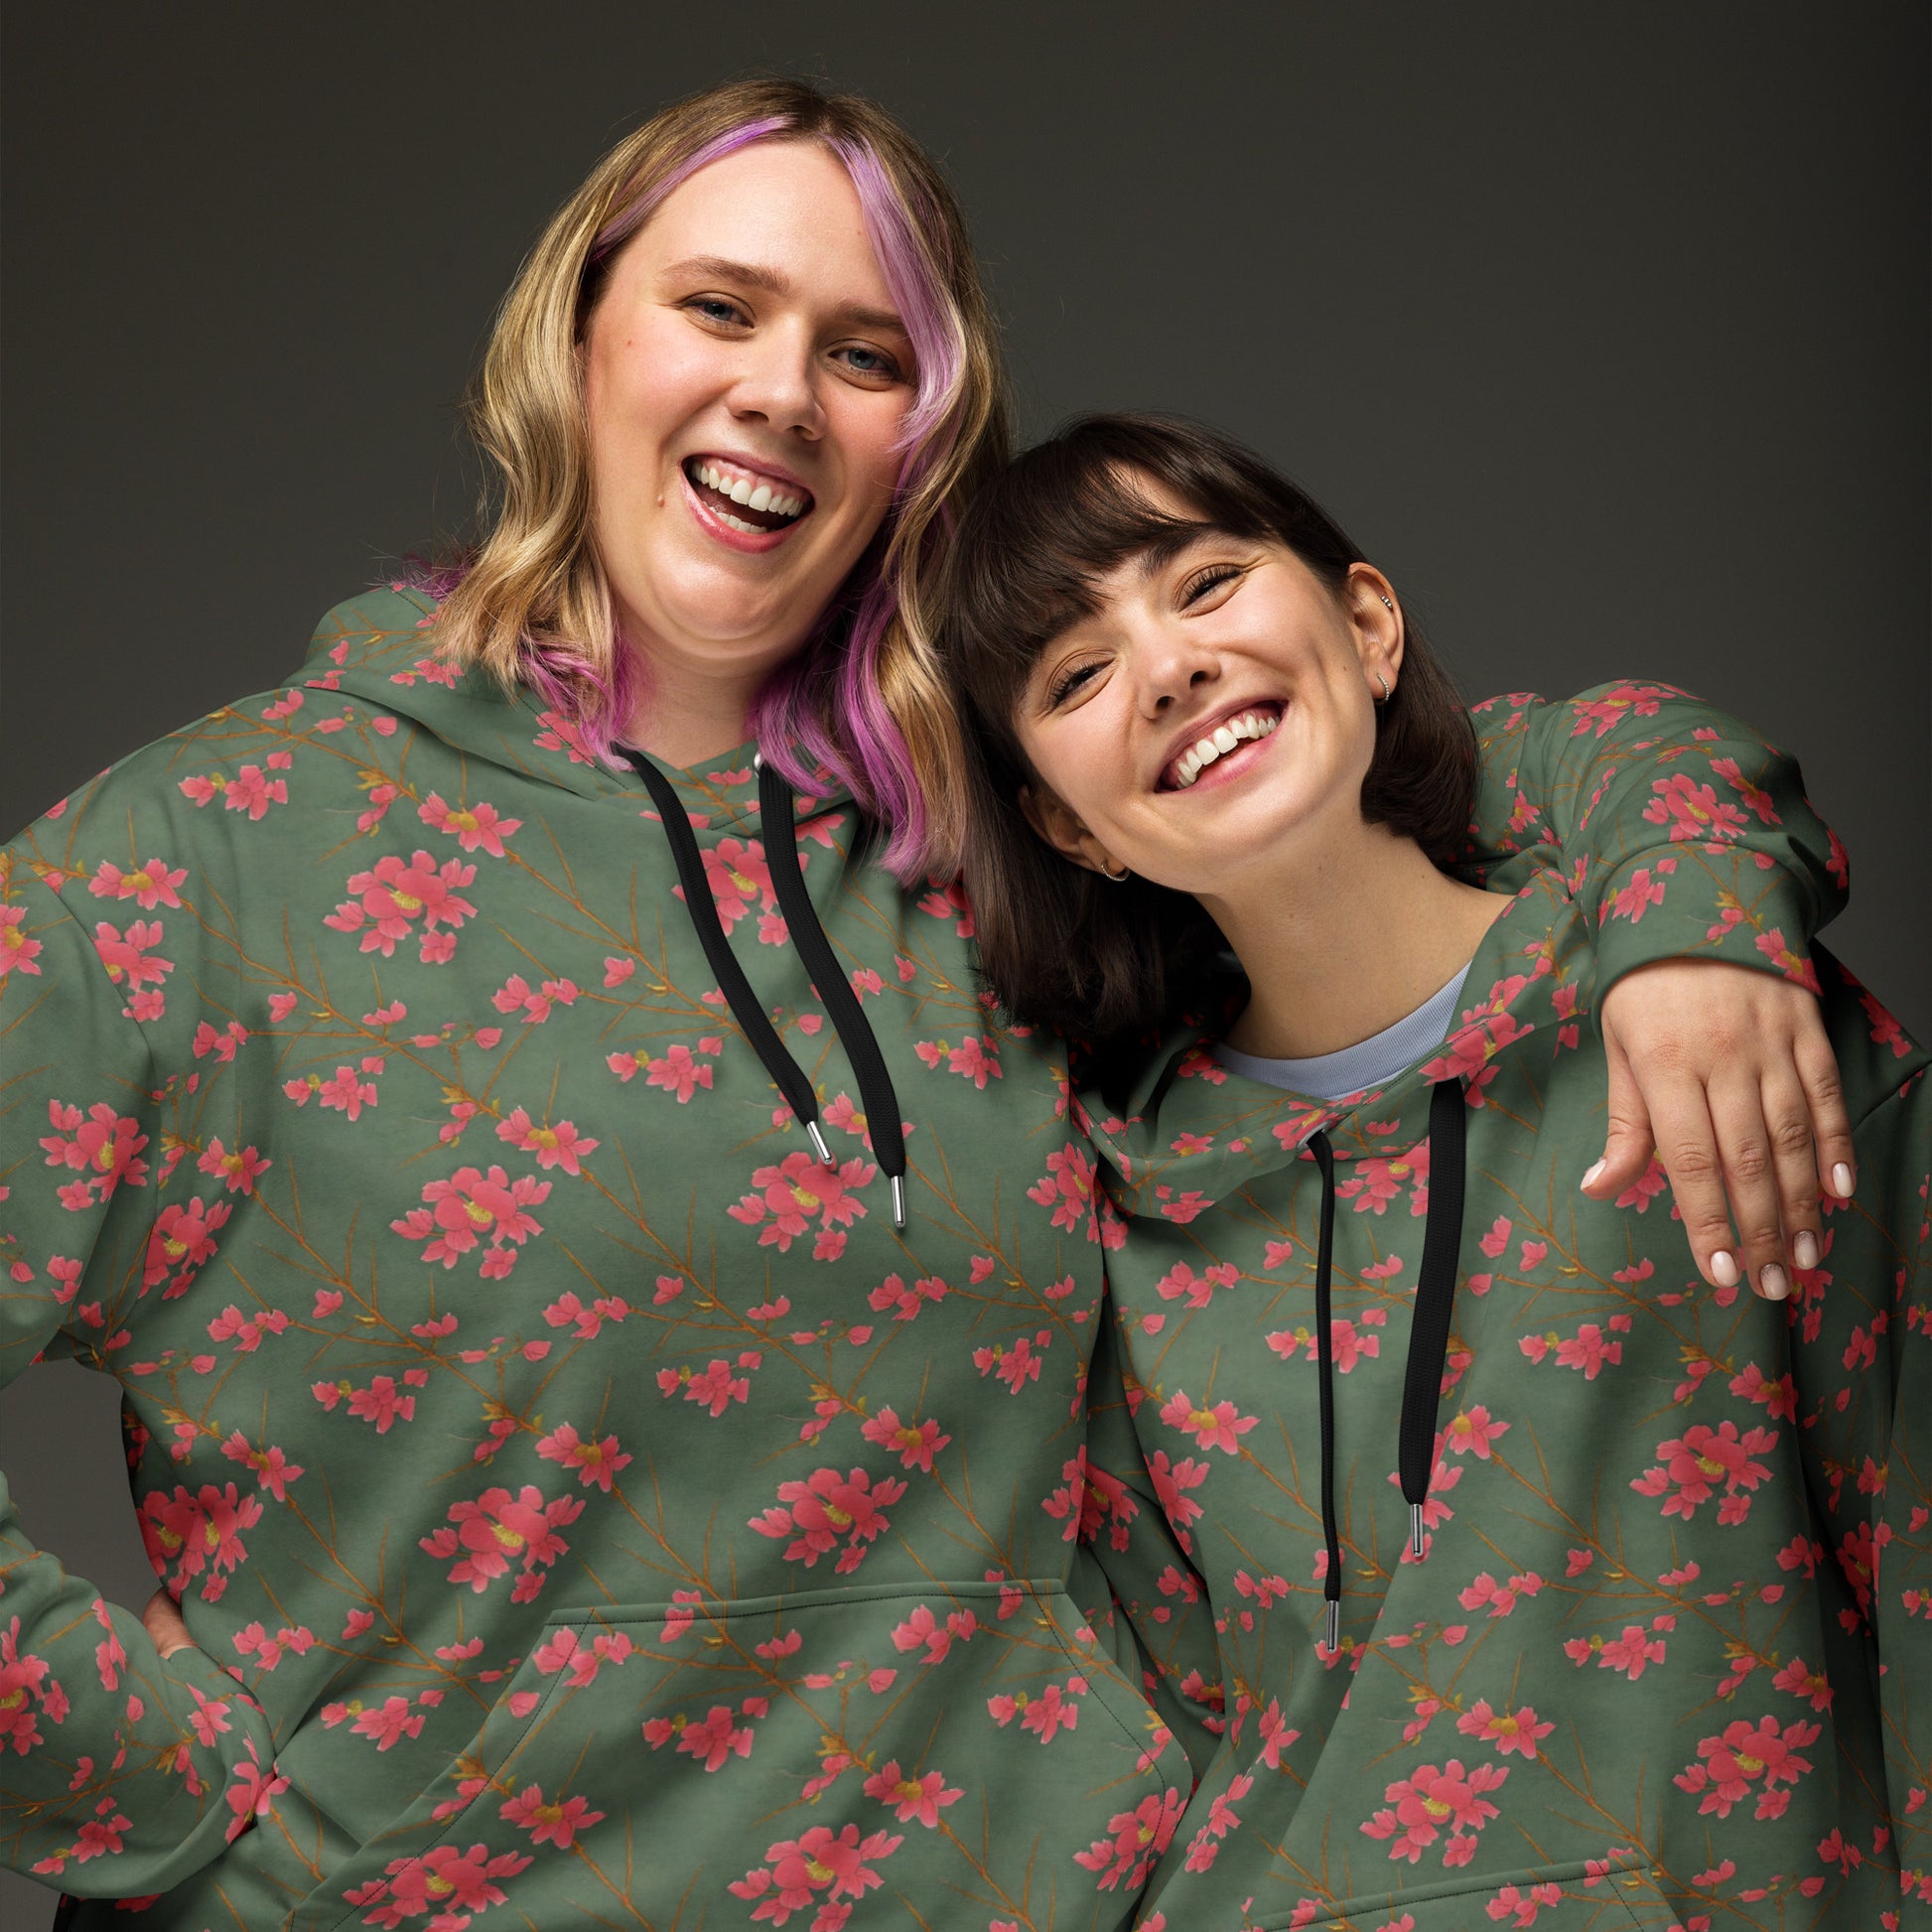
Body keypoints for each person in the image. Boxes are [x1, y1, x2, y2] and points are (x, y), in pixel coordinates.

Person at [0, 83, 1867, 1932]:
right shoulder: (209, 857)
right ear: (575, 341)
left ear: (922, 440)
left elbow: (1404, 776)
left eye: (864, 353)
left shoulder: (1000, 855)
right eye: (718, 308)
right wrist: (159, 1792)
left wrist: (1694, 907)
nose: (781, 392)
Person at [936, 412, 1928, 1927]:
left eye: (1203, 584)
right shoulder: (1112, 1224)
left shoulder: (1708, 1014)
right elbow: (1151, 1733)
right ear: (1071, 827)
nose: (1167, 667)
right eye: (1075, 675)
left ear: (1366, 624)